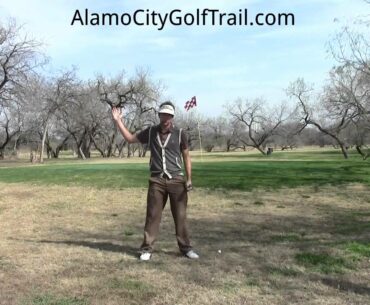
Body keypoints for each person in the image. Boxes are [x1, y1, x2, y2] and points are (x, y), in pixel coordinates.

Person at [112, 101, 199, 261]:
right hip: (157, 180)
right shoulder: (151, 132)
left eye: (169, 115)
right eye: (163, 114)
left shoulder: (180, 134)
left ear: (172, 116)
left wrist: (189, 179)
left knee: (180, 216)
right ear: (159, 115)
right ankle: (147, 249)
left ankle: (186, 248)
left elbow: (186, 156)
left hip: (177, 180)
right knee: (152, 216)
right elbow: (131, 139)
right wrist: (118, 121)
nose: (166, 117)